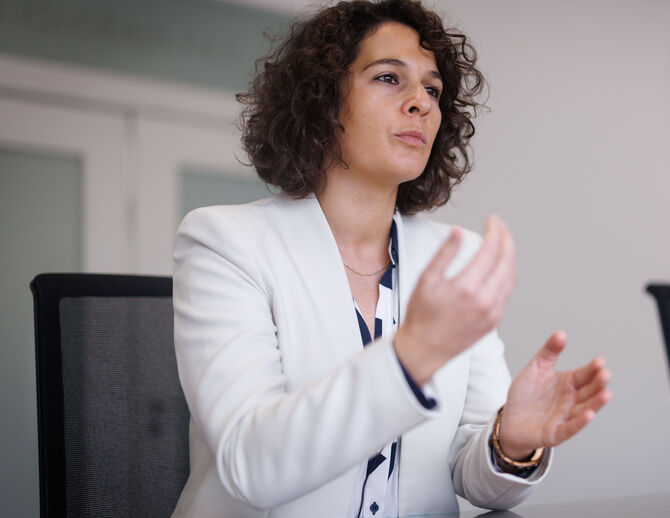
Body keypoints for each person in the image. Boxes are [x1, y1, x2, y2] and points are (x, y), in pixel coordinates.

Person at [171, 1, 611, 516]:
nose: (420, 104)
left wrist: (509, 444)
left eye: (432, 90)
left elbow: (473, 476)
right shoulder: (225, 242)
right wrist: (412, 356)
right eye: (388, 78)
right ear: (323, 100)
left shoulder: (455, 258)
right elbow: (252, 465)